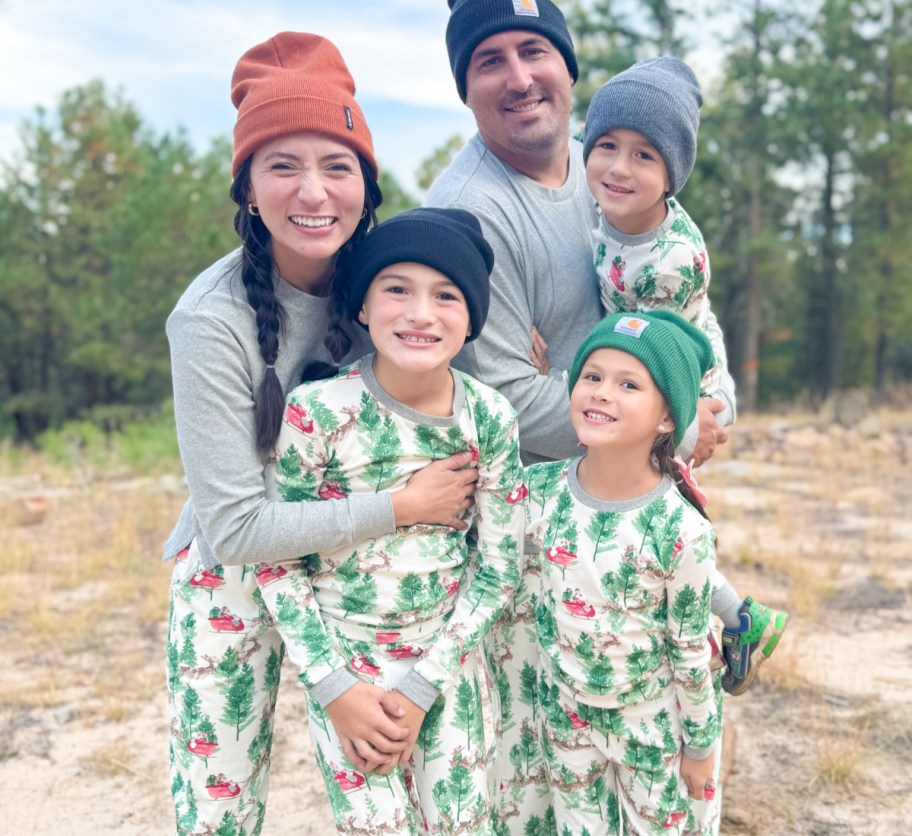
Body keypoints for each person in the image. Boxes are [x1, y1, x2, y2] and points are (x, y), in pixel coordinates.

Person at [164, 34, 477, 836]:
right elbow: (234, 529)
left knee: (392, 786)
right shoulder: (210, 321)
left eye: (337, 166)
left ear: (365, 184)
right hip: (239, 574)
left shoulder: (386, 285)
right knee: (218, 804)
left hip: (360, 569)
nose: (313, 192)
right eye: (282, 165)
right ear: (248, 187)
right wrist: (403, 509)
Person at [253, 207, 526, 833]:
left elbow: (499, 567)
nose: (420, 313)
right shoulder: (317, 413)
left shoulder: (488, 418)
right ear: (363, 308)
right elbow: (278, 559)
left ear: (472, 318)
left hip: (447, 670)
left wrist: (424, 683)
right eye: (396, 288)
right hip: (347, 679)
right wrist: (332, 686)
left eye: (446, 296)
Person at [580, 57, 788, 696]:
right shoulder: (614, 217)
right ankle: (734, 617)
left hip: (686, 393)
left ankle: (724, 628)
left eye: (645, 156)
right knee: (658, 526)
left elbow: (656, 355)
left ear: (673, 174)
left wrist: (568, 368)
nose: (619, 167)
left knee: (659, 525)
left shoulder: (666, 261)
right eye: (607, 145)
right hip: (673, 379)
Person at [530, 310, 723, 834]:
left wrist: (701, 746)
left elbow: (690, 648)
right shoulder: (537, 492)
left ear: (667, 419)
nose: (601, 392)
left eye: (628, 384)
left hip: (653, 728)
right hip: (565, 717)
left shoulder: (679, 529)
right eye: (591, 376)